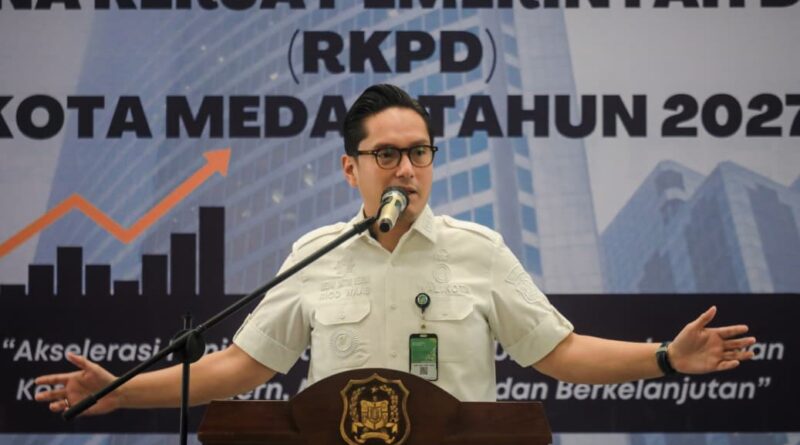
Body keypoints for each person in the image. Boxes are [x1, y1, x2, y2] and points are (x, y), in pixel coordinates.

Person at [35, 84, 756, 414]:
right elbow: (240, 367)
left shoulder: (479, 250)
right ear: (351, 169)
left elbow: (558, 352)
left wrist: (666, 358)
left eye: (419, 152)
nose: (406, 169)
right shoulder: (316, 252)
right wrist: (118, 391)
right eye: (387, 154)